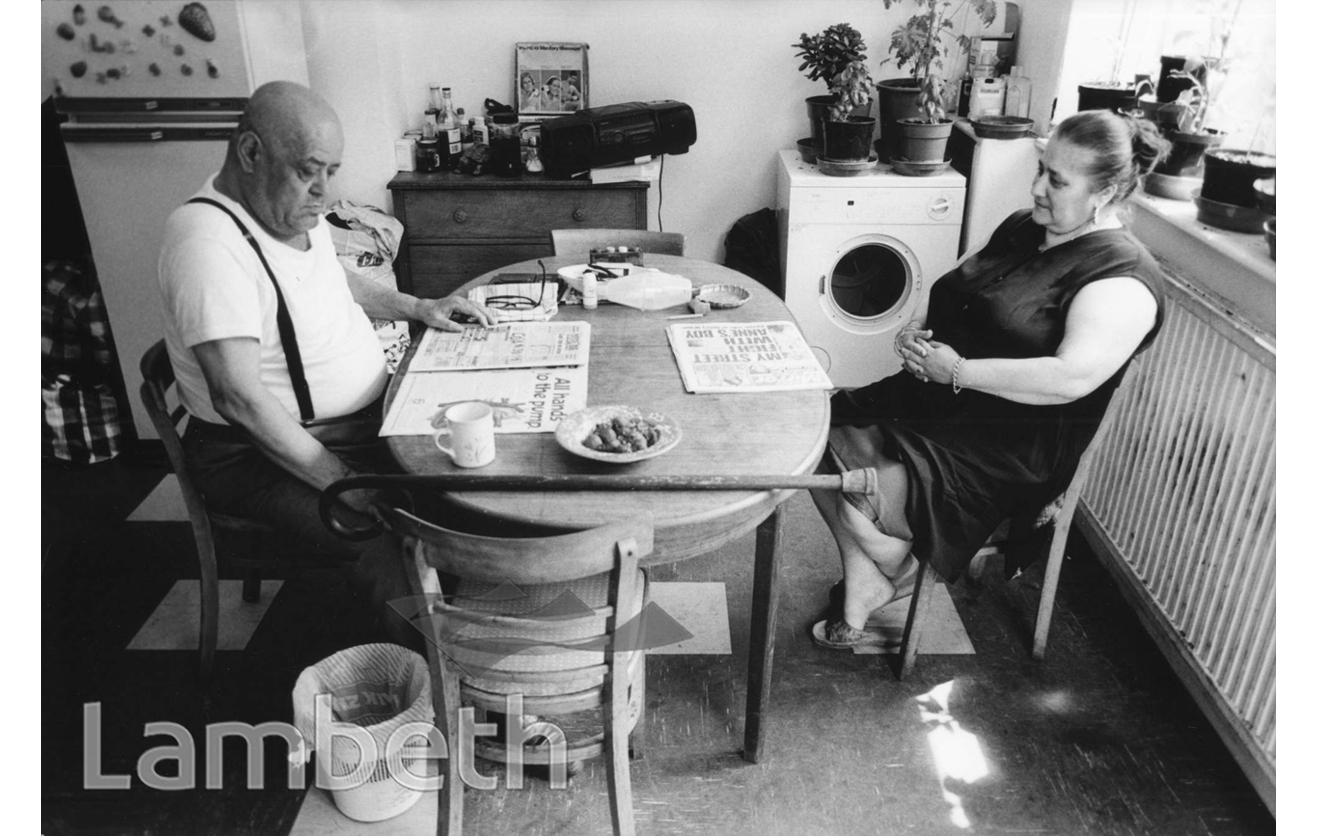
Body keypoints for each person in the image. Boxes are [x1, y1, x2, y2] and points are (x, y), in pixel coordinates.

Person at [809, 110, 1169, 649]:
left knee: (853, 488)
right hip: (940, 404)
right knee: (808, 434)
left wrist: (956, 369)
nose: (1038, 188)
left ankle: (889, 569)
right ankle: (875, 576)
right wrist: (918, 332)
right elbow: (963, 294)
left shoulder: (1121, 278)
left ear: (1109, 191)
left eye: (1058, 181)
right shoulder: (1026, 227)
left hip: (1007, 443)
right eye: (1042, 169)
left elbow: (1069, 378)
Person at [157, 81, 499, 646]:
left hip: (351, 424)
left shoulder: (286, 212)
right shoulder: (207, 244)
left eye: (330, 172)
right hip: (259, 457)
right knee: (387, 534)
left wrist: (418, 307)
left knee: (475, 470)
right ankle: (436, 680)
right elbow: (238, 401)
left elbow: (331, 277)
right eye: (308, 171)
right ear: (249, 154)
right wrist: (342, 482)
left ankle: (482, 615)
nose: (322, 193)